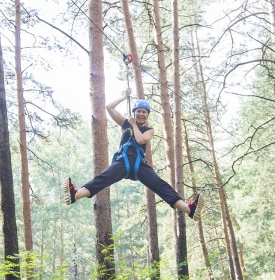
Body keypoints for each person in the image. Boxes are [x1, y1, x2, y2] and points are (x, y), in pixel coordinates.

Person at [63, 88, 204, 221]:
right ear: (134, 112)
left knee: (160, 185)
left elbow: (141, 139)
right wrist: (124, 96)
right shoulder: (125, 123)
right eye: (139, 111)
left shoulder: (149, 129)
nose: (141, 114)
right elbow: (109, 107)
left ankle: (189, 210)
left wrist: (134, 125)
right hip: (122, 162)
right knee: (102, 179)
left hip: (139, 164)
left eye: (144, 112)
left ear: (147, 115)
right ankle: (74, 195)